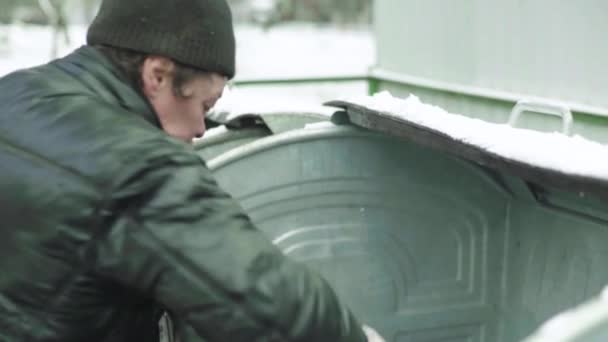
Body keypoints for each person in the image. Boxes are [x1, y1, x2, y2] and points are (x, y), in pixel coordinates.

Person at [0, 0, 386, 341]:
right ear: (158, 75)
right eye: (205, 104)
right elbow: (269, 306)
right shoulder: (139, 166)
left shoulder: (13, 93)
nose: (203, 128)